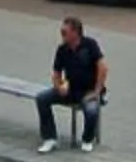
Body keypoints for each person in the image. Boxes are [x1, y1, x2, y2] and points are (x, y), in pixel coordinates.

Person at [34, 15, 107, 154]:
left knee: (91, 110)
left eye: (64, 32)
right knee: (42, 98)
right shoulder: (62, 49)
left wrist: (97, 91)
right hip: (71, 89)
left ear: (75, 33)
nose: (62, 35)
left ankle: (87, 139)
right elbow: (56, 72)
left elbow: (103, 68)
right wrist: (58, 86)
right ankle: (49, 137)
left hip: (88, 90)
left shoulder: (90, 45)